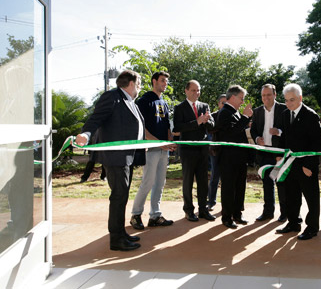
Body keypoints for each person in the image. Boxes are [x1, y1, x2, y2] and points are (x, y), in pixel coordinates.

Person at [75, 70, 144, 251]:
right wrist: (85, 134)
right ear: (131, 83)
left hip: (127, 157)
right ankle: (116, 239)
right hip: (115, 157)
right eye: (139, 83)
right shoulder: (112, 97)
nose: (140, 87)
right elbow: (95, 119)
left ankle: (121, 233)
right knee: (118, 196)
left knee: (122, 196)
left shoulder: (130, 102)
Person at [276, 84, 321, 240]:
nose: (289, 103)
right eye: (286, 100)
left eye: (292, 100)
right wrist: (279, 155)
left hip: (306, 165)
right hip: (289, 163)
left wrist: (308, 165)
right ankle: (293, 222)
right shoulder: (284, 114)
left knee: (311, 196)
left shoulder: (310, 115)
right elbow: (283, 137)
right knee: (291, 195)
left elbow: (318, 142)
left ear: (300, 98)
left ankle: (312, 227)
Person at [130, 71, 176, 231]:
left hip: (164, 149)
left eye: (166, 81)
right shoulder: (144, 101)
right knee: (148, 182)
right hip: (151, 148)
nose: (165, 84)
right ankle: (135, 215)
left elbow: (166, 125)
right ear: (154, 81)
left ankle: (155, 215)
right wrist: (158, 143)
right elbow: (141, 128)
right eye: (162, 81)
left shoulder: (163, 102)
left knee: (160, 183)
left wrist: (169, 141)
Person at [173, 80, 216, 221]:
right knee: (188, 181)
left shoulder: (204, 106)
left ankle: (203, 209)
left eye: (198, 90)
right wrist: (197, 122)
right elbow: (177, 128)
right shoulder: (179, 108)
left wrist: (207, 121)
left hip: (203, 149)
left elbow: (212, 126)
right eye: (193, 90)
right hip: (187, 150)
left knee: (203, 181)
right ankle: (188, 210)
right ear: (186, 91)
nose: (196, 93)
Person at [215, 85, 253, 229]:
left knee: (240, 186)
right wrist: (244, 117)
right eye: (241, 98)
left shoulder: (235, 112)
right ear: (233, 96)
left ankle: (237, 213)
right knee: (229, 188)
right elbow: (231, 133)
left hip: (239, 157)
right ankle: (226, 217)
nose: (242, 102)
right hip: (228, 159)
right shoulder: (224, 112)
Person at [250, 84, 287, 222]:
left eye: (269, 95)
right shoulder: (257, 111)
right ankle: (268, 212)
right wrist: (256, 138)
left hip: (278, 153)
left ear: (275, 95)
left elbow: (290, 130)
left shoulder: (284, 109)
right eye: (263, 95)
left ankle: (285, 213)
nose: (266, 98)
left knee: (281, 183)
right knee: (267, 183)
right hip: (264, 152)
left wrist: (279, 132)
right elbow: (253, 130)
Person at [207, 94, 227, 211]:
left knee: (227, 178)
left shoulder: (232, 115)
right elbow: (210, 129)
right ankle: (211, 202)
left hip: (228, 152)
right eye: (222, 103)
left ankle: (226, 203)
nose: (224, 105)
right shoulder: (213, 115)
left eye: (226, 103)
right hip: (215, 151)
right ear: (219, 104)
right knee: (215, 176)